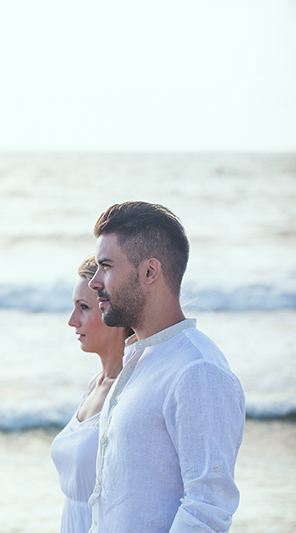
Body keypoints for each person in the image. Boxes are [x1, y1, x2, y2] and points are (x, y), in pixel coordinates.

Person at [86, 201, 245, 533]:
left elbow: (208, 509)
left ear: (149, 272)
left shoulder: (196, 369)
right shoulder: (139, 360)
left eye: (107, 266)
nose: (95, 282)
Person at [50, 256, 132, 533]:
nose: (72, 321)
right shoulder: (95, 384)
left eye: (83, 308)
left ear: (114, 312)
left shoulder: (131, 393)